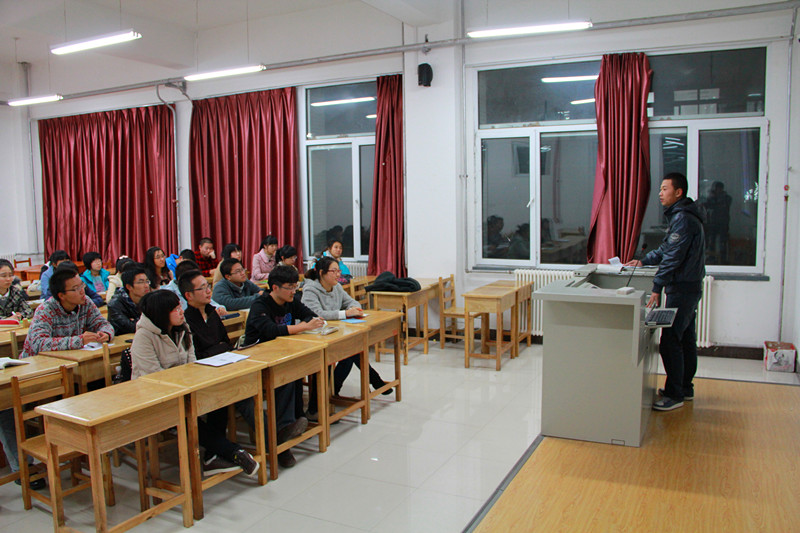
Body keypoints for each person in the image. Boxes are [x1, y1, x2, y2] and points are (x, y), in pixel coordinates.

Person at [180, 270, 304, 469]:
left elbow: (224, 343)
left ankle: (283, 428)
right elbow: (195, 356)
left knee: (283, 375)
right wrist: (220, 351)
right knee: (245, 397)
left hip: (228, 363)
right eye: (202, 288)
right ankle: (277, 444)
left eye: (208, 286)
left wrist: (226, 352)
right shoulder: (186, 320)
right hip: (208, 372)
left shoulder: (212, 313)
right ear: (188, 295)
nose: (208, 291)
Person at [130, 290, 258, 477]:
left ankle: (213, 456)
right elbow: (154, 377)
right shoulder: (143, 337)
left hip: (184, 388)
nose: (181, 311)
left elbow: (192, 363)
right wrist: (185, 384)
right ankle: (232, 451)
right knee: (186, 415)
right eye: (175, 309)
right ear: (161, 313)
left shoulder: (183, 328)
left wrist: (191, 383)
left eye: (179, 307)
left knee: (218, 396)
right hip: (155, 396)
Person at [625, 172, 705, 411]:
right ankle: (685, 388)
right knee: (685, 338)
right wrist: (644, 260)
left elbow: (672, 258)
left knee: (670, 341)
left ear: (678, 192)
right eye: (660, 189)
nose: (660, 193)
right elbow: (666, 249)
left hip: (682, 288)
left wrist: (657, 286)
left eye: (665, 189)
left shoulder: (683, 218)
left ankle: (674, 394)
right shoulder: (684, 215)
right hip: (689, 286)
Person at [243, 265, 324, 467]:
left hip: (280, 355)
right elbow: (270, 330)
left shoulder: (291, 301)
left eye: (296, 286)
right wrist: (302, 327)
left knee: (295, 370)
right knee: (286, 375)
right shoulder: (260, 305)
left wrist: (312, 322)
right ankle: (283, 432)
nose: (294, 291)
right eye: (290, 287)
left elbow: (308, 314)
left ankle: (291, 424)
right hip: (256, 358)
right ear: (275, 288)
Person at [302, 257, 390, 418]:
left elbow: (352, 302)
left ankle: (333, 391)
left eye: (338, 271)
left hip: (334, 332)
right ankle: (372, 379)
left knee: (351, 351)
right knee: (349, 352)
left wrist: (353, 309)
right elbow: (316, 314)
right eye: (333, 271)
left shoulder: (336, 287)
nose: (338, 275)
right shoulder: (310, 290)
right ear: (321, 273)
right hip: (313, 337)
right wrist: (345, 313)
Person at [21, 267, 114, 357]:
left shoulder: (85, 302)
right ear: (61, 295)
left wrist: (106, 333)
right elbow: (38, 343)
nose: (82, 291)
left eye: (82, 285)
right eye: (76, 288)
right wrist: (79, 340)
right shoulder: (45, 310)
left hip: (69, 358)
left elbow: (103, 324)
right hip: (38, 362)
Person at [107, 266, 151, 335]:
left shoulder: (150, 299)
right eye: (141, 282)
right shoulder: (115, 304)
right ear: (129, 287)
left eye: (147, 281)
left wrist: (136, 321)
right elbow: (129, 327)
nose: (146, 286)